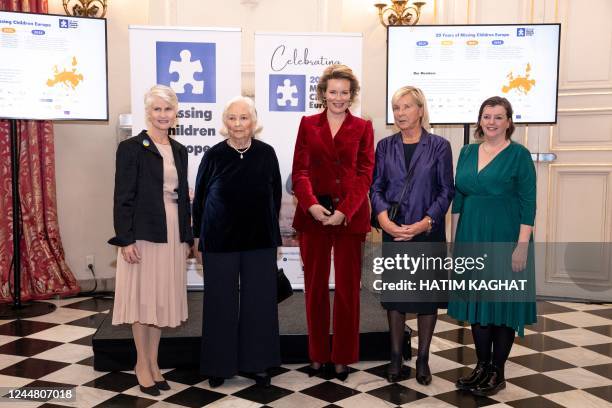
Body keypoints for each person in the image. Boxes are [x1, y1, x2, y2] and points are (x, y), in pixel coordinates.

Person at [448, 96, 536, 396]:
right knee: (477, 304)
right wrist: (454, 243)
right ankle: (482, 366)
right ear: (480, 120)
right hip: (471, 236)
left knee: (501, 305)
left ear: (509, 122)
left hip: (506, 238)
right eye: (487, 116)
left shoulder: (519, 155)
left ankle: (497, 372)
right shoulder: (467, 151)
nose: (492, 122)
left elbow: (528, 203)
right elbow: (458, 199)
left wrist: (522, 246)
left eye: (499, 117)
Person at [292, 64, 374, 381]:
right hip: (313, 218)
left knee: (347, 290)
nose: (338, 98)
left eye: (344, 92)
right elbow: (299, 170)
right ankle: (317, 355)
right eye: (333, 91)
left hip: (349, 219)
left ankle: (342, 356)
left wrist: (345, 211)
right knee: (314, 288)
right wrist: (311, 205)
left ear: (351, 94)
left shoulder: (364, 127)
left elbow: (366, 173)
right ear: (323, 93)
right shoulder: (308, 124)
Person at [193, 96, 282, 389]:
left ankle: (258, 364)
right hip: (219, 242)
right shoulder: (213, 155)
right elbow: (200, 200)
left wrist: (275, 238)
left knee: (260, 304)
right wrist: (197, 239)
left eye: (244, 118)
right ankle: (219, 365)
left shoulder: (267, 154)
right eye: (232, 118)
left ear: (254, 122)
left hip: (259, 242)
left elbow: (275, 198)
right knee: (220, 303)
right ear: (224, 123)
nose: (238, 124)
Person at [109, 85, 192, 396]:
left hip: (171, 234)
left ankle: (155, 363)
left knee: (159, 302)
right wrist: (125, 240)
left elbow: (183, 197)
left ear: (175, 114)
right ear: (148, 112)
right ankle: (141, 364)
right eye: (156, 109)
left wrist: (187, 236)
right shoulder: (131, 148)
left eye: (167, 109)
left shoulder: (180, 149)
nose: (162, 115)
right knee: (142, 301)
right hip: (142, 234)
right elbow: (122, 198)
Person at [370, 86, 454, 384]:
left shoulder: (440, 146)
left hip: (426, 233)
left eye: (406, 107)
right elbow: (375, 187)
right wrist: (383, 220)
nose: (400, 113)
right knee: (396, 298)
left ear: (420, 110)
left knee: (426, 299)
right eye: (396, 108)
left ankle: (423, 360)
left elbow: (447, 190)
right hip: (394, 231)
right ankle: (395, 358)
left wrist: (424, 223)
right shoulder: (385, 146)